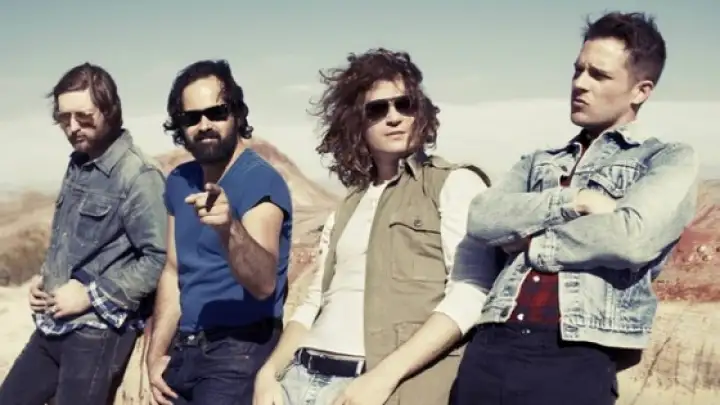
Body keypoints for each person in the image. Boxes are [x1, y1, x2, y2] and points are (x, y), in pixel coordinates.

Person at [452, 11, 699, 405]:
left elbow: (631, 238)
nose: (580, 83)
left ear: (640, 91)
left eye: (598, 75)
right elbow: (482, 218)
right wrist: (574, 201)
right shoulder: (538, 161)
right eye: (578, 70)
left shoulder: (666, 159)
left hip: (575, 356)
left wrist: (532, 243)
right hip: (489, 347)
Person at [252, 48, 491, 405]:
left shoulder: (454, 184)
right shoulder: (347, 206)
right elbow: (315, 300)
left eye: (405, 104)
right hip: (299, 380)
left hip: (378, 388)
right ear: (356, 124)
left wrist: (381, 378)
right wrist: (269, 373)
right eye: (377, 109)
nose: (394, 117)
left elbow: (471, 293)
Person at [0, 63, 168, 405]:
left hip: (96, 332)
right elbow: (77, 242)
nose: (73, 127)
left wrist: (91, 295)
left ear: (110, 110)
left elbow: (158, 258)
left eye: (83, 116)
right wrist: (45, 280)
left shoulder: (138, 175)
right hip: (54, 322)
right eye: (64, 118)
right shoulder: (78, 162)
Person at [146, 59, 293, 405]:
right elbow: (173, 271)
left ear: (237, 114)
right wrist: (154, 356)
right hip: (186, 348)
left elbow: (263, 284)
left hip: (240, 348)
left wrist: (230, 228)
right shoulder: (179, 181)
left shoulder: (261, 180)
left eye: (217, 112)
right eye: (191, 117)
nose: (205, 125)